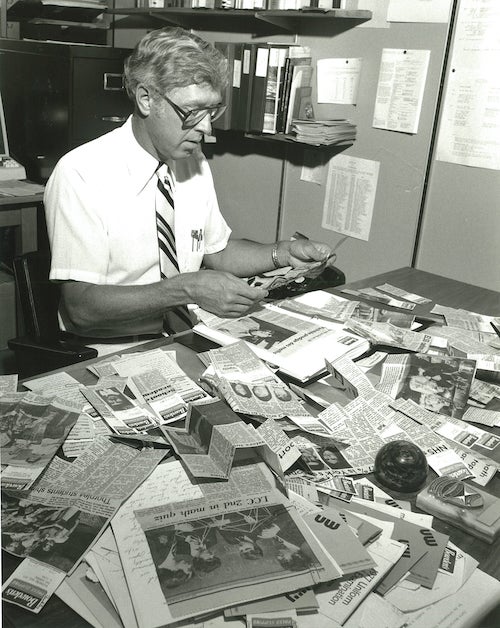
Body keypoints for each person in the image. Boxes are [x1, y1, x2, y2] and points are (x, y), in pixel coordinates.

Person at [44, 26, 334, 341]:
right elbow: (81, 309)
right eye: (193, 111)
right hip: (106, 348)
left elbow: (218, 253)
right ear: (146, 99)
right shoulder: (81, 173)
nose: (206, 128)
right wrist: (186, 289)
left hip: (185, 333)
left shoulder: (192, 163)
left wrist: (283, 253)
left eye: (212, 111)